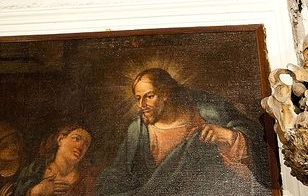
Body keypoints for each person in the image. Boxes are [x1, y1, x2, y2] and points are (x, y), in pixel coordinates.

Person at [95, 68, 255, 196]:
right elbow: (118, 174)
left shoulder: (206, 115)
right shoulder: (137, 131)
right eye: (138, 99)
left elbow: (254, 146)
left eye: (149, 96)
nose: (141, 105)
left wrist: (229, 136)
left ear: (165, 94)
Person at [14, 124, 95, 196]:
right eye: (76, 138)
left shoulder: (86, 180)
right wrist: (35, 192)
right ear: (60, 140)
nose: (80, 146)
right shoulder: (34, 170)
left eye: (86, 144)